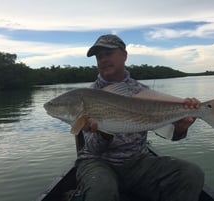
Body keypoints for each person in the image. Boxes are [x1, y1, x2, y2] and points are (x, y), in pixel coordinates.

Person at [75, 34, 204, 201]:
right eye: (99, 57)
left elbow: (166, 132)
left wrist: (180, 129)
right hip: (98, 163)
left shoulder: (143, 92)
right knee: (102, 191)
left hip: (138, 162)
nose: (103, 59)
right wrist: (104, 133)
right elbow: (93, 149)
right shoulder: (88, 96)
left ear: (124, 55)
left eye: (108, 53)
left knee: (190, 174)